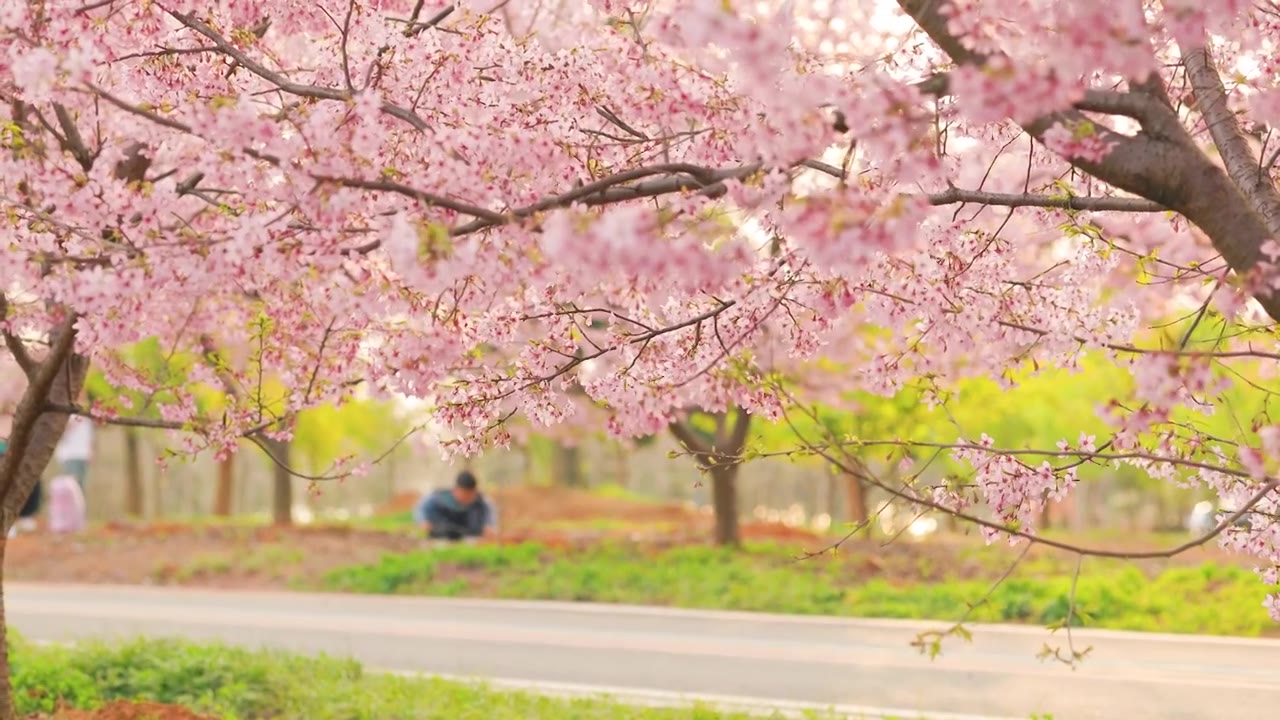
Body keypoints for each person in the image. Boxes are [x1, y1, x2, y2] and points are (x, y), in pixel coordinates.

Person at [413, 471, 497, 541]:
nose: (466, 499)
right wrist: (423, 522)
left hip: (472, 539)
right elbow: (420, 509)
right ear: (455, 489)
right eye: (463, 495)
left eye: (469, 495)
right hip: (441, 538)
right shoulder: (437, 499)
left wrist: (489, 528)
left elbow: (490, 523)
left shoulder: (482, 503)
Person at [54, 415, 93, 492]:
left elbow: (90, 437)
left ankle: (78, 503)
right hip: (70, 455)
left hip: (83, 455)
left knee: (80, 485)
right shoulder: (68, 416)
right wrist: (72, 423)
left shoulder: (87, 418)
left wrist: (91, 452)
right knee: (72, 485)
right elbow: (60, 432)